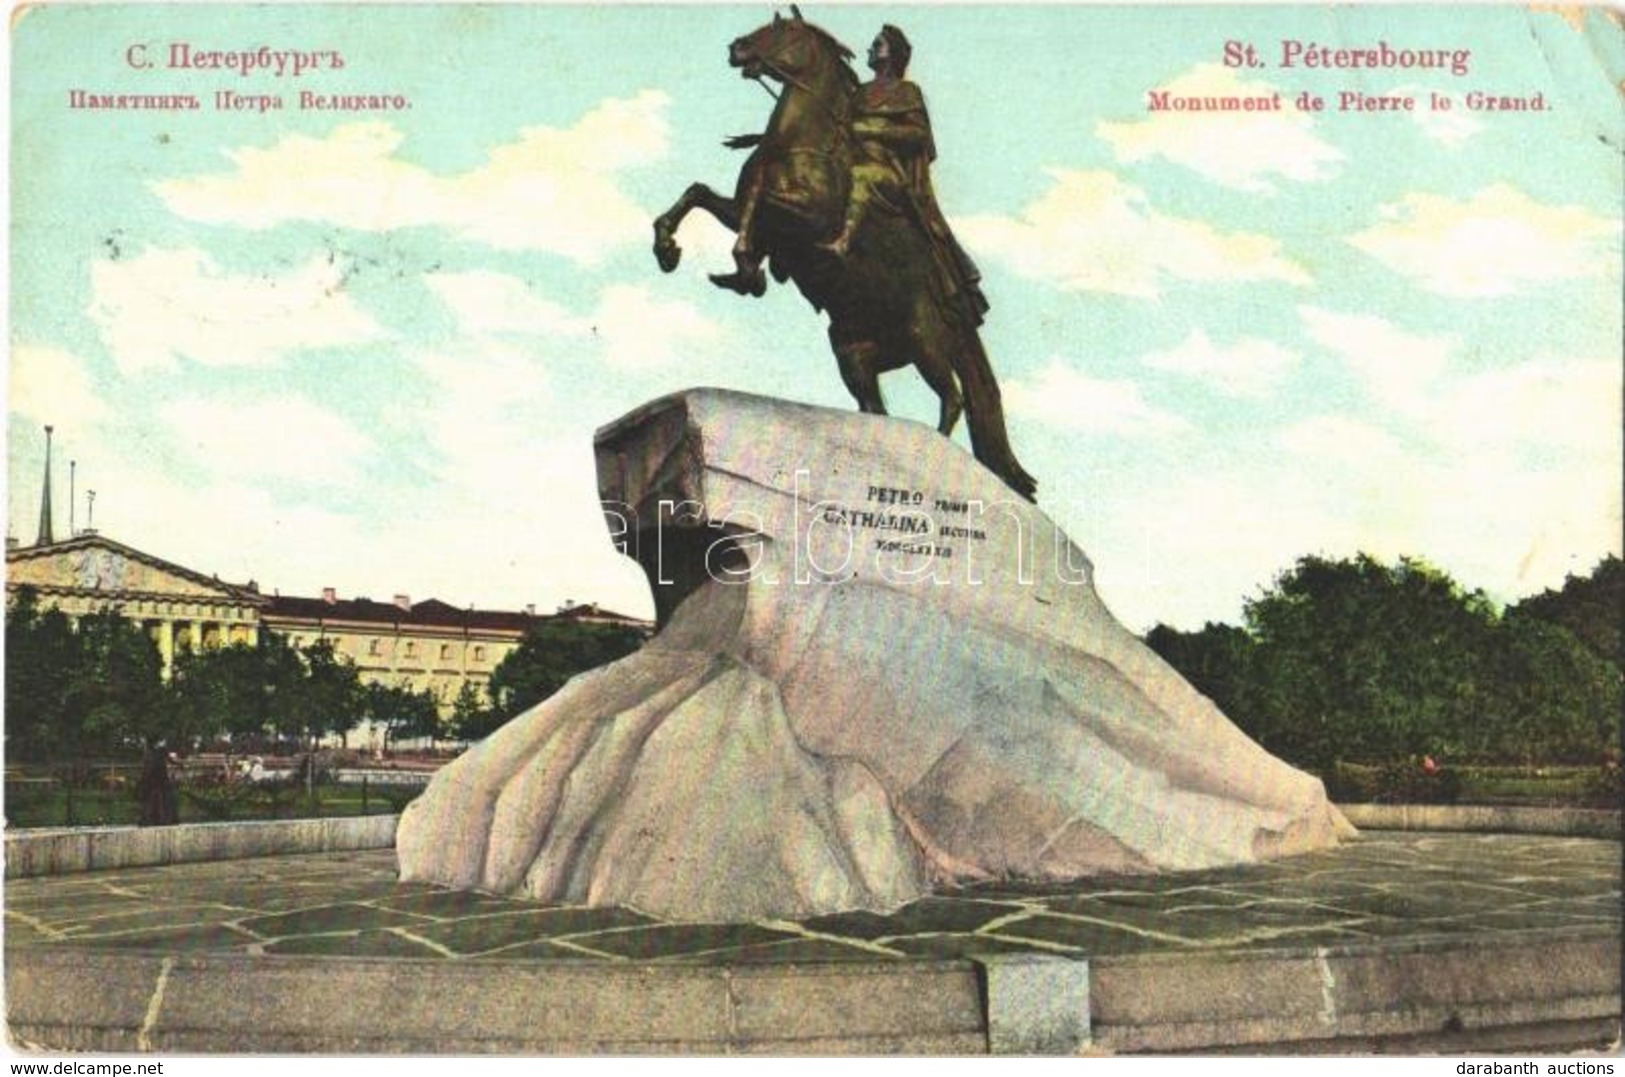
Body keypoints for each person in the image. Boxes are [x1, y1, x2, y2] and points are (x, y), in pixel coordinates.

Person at [821, 25, 989, 324]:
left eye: (878, 45)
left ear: (894, 54)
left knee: (863, 174)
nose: (871, 49)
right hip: (851, 165)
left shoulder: (907, 92)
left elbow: (919, 136)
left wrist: (871, 129)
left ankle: (844, 242)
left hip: (888, 175)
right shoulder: (859, 93)